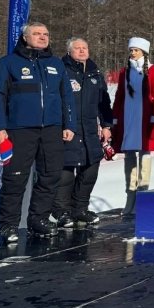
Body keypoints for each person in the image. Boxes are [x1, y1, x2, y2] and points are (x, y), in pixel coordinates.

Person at [0, 22, 76, 241]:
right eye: (37, 33)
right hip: (19, 130)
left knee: (50, 175)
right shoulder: (8, 63)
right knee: (15, 178)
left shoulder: (56, 64)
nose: (43, 37)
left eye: (46, 34)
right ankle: (8, 224)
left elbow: (67, 97)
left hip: (52, 130)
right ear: (25, 37)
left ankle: (38, 219)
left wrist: (69, 124)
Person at [52, 37, 114, 228]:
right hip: (68, 130)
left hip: (89, 132)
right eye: (77, 48)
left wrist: (106, 125)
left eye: (84, 47)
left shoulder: (95, 72)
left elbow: (104, 103)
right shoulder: (60, 70)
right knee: (66, 172)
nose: (81, 51)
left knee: (90, 170)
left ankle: (80, 209)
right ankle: (61, 211)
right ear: (69, 51)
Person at [111, 37, 154, 216]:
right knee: (129, 153)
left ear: (143, 51)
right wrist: (115, 117)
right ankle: (130, 194)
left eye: (135, 50)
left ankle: (143, 192)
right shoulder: (124, 72)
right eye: (131, 50)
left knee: (145, 152)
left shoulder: (153, 70)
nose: (132, 53)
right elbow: (119, 95)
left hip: (144, 117)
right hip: (128, 116)